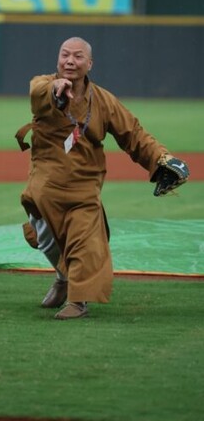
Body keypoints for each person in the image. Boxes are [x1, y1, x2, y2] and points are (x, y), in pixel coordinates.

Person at [15, 36, 189, 320]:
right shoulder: (43, 84)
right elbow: (40, 92)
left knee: (86, 241)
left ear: (90, 63)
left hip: (84, 184)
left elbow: (133, 133)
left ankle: (78, 301)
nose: (70, 61)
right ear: (58, 60)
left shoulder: (104, 101)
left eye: (78, 56)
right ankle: (63, 279)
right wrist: (56, 89)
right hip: (45, 183)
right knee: (46, 240)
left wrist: (161, 159)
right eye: (65, 55)